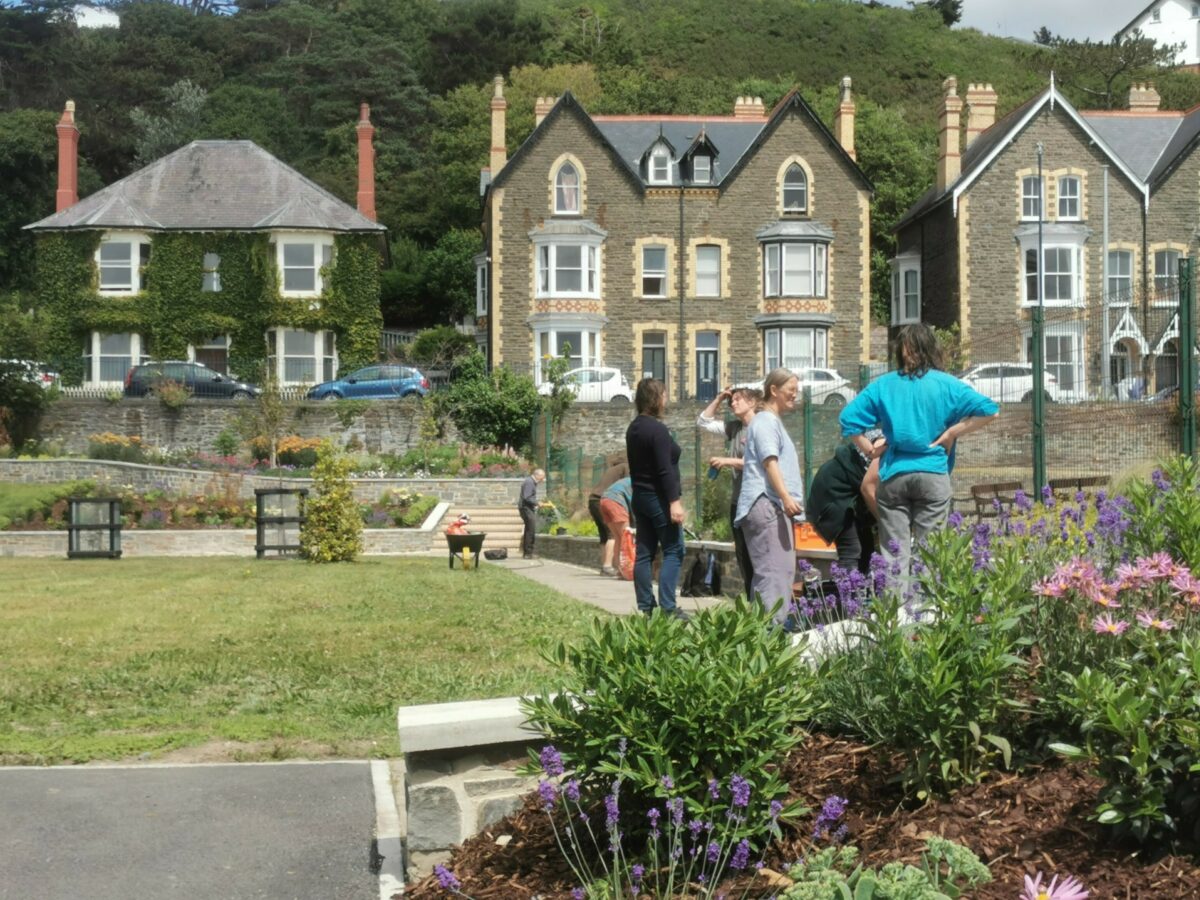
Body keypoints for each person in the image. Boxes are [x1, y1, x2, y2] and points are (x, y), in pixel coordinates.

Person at [840, 323, 999, 578]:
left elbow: (848, 419)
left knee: (894, 553)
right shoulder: (948, 384)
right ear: (931, 348)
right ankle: (926, 614)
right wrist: (950, 433)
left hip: (894, 475)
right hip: (933, 473)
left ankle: (895, 614)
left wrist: (871, 450)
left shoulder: (884, 385)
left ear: (901, 352)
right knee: (930, 554)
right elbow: (990, 410)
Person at [734, 368, 805, 625]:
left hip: (773, 505)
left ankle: (763, 636)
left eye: (796, 391)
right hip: (768, 504)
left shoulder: (770, 421)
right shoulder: (765, 421)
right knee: (774, 575)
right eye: (790, 391)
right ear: (773, 390)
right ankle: (769, 644)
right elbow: (769, 461)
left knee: (778, 574)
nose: (794, 396)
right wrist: (785, 497)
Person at [625, 378, 687, 618]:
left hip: (639, 496)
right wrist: (674, 502)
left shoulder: (634, 428)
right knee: (674, 549)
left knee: (644, 553)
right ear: (656, 398)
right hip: (659, 498)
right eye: (663, 394)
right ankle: (669, 608)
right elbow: (664, 469)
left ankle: (646, 607)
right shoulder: (658, 429)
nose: (666, 399)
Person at [697, 383, 763, 600]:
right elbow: (703, 422)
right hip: (738, 501)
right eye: (731, 400)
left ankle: (763, 603)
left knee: (757, 555)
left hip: (757, 500)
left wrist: (726, 461)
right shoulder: (734, 428)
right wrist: (718, 399)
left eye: (738, 399)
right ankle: (751, 601)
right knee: (742, 554)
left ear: (752, 402)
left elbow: (757, 462)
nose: (732, 403)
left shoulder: (762, 427)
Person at [807, 431, 885, 574]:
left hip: (854, 495)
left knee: (867, 548)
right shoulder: (886, 443)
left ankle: (863, 592)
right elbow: (868, 488)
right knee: (852, 549)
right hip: (834, 492)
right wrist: (884, 521)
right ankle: (848, 592)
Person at [586, 453, 629, 575]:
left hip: (594, 499)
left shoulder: (612, 469)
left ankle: (605, 565)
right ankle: (608, 566)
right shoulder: (625, 467)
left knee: (604, 534)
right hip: (606, 499)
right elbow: (628, 484)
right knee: (613, 534)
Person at [599, 475, 633, 579]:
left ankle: (620, 570)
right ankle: (626, 571)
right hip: (615, 500)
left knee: (619, 538)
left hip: (604, 500)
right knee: (626, 537)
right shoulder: (641, 483)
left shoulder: (629, 480)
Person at [518, 468, 546, 559]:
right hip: (526, 508)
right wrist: (537, 503)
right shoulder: (530, 482)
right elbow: (527, 497)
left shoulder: (530, 482)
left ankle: (527, 552)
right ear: (537, 475)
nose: (543, 479)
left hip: (527, 508)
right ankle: (528, 553)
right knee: (531, 530)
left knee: (529, 529)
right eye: (542, 477)